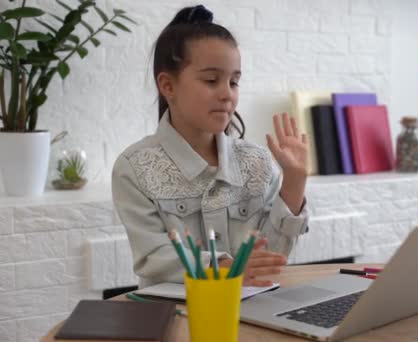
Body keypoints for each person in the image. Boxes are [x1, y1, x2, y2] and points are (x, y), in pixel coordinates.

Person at [112, 4, 309, 288]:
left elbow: (272, 259)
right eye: (211, 80)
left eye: (234, 82)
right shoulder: (134, 168)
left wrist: (295, 181)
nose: (227, 94)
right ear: (168, 86)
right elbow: (153, 257)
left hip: (252, 312)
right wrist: (225, 267)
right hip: (175, 318)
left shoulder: (257, 162)